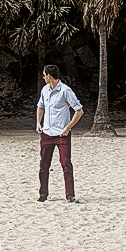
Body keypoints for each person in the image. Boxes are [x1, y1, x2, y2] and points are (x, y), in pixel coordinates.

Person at [36, 65, 84, 202]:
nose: (43, 77)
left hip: (62, 135)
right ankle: (43, 194)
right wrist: (38, 122)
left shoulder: (65, 91)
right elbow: (40, 106)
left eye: (44, 75)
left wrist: (68, 128)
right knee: (44, 164)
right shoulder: (45, 90)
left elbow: (79, 111)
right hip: (46, 133)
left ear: (49, 76)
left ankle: (70, 195)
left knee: (66, 163)